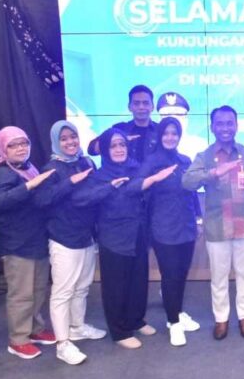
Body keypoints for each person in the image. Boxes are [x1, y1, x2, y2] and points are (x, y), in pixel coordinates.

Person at [73, 128, 174, 349]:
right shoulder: (99, 175)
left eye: (122, 145)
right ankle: (119, 331)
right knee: (116, 286)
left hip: (138, 234)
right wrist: (109, 187)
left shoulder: (136, 167)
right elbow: (80, 199)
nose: (119, 149)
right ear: (105, 150)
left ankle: (136, 320)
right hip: (114, 238)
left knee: (138, 281)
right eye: (113, 146)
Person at [182, 105, 244, 341]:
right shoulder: (204, 156)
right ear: (212, 127)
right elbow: (187, 182)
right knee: (218, 277)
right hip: (217, 226)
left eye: (230, 123)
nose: (225, 128)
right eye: (220, 123)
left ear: (237, 125)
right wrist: (213, 173)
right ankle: (221, 318)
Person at [34, 120, 107, 366]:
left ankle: (77, 327)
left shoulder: (86, 162)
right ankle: (62, 344)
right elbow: (42, 200)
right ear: (56, 142)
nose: (70, 142)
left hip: (87, 235)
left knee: (82, 287)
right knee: (63, 292)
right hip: (63, 237)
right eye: (64, 138)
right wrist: (70, 182)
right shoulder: (50, 168)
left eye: (73, 137)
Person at [0, 126, 57, 360]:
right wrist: (30, 185)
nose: (20, 148)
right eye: (13, 145)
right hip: (16, 244)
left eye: (24, 143)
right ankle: (18, 339)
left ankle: (35, 329)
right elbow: (0, 203)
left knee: (38, 290)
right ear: (2, 148)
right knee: (21, 294)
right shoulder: (1, 174)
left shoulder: (29, 168)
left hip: (36, 240)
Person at [140, 117, 202, 347]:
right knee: (170, 274)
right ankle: (173, 322)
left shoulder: (185, 160)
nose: (170, 137)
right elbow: (139, 187)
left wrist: (198, 217)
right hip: (163, 227)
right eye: (166, 133)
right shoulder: (151, 161)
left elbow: (192, 192)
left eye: (174, 133)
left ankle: (177, 311)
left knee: (182, 273)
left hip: (186, 225)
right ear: (159, 136)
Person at [87, 84, 158, 163]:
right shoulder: (119, 129)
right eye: (136, 103)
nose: (141, 107)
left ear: (152, 107)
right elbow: (92, 150)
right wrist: (118, 141)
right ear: (129, 107)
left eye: (145, 103)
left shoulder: (161, 130)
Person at [156, 91, 208, 161]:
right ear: (159, 119)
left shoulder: (200, 145)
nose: (173, 118)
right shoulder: (153, 144)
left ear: (186, 119)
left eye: (179, 114)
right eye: (166, 115)